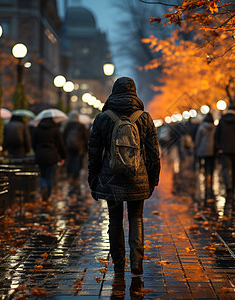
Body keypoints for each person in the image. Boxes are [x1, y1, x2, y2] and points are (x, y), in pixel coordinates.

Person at [88, 77, 161, 275]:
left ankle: (119, 263)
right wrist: (153, 178)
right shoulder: (144, 118)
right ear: (134, 93)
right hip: (138, 177)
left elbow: (94, 153)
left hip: (110, 178)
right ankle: (137, 263)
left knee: (115, 220)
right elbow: (154, 153)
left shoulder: (103, 118)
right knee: (136, 218)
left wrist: (93, 180)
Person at [214, 104, 235, 197]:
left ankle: (228, 185)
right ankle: (234, 186)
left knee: (225, 168)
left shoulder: (222, 120)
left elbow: (216, 135)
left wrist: (219, 147)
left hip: (224, 149)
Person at [32, 117, 66, 201]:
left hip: (40, 155)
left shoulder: (37, 129)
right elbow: (60, 144)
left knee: (42, 175)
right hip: (52, 155)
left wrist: (36, 151)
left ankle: (43, 186)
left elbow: (33, 143)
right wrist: (63, 156)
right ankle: (48, 194)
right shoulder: (55, 129)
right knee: (50, 176)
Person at [63, 110, 89, 192]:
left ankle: (70, 175)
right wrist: (86, 149)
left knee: (70, 161)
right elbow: (85, 137)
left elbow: (64, 136)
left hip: (69, 147)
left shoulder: (67, 125)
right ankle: (75, 177)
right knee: (77, 162)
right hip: (79, 148)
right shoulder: (81, 126)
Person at [194, 113, 216, 198]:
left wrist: (196, 146)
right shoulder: (214, 127)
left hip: (203, 149)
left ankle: (207, 178)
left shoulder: (202, 127)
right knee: (212, 164)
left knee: (205, 164)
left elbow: (198, 139)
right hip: (212, 149)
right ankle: (211, 178)